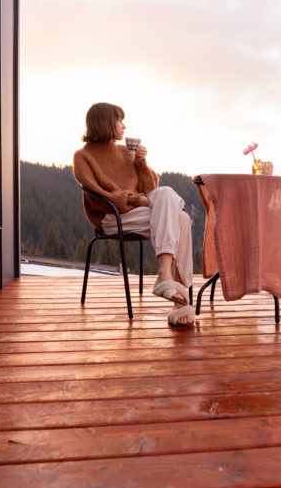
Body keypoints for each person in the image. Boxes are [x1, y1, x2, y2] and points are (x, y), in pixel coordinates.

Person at [73, 102, 195, 326]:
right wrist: (133, 199)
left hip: (139, 214)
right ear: (106, 123)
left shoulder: (126, 152)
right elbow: (96, 197)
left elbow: (150, 191)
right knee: (176, 212)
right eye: (120, 120)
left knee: (182, 216)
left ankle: (168, 282)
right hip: (113, 218)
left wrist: (140, 163)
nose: (124, 126)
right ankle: (177, 296)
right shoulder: (83, 156)